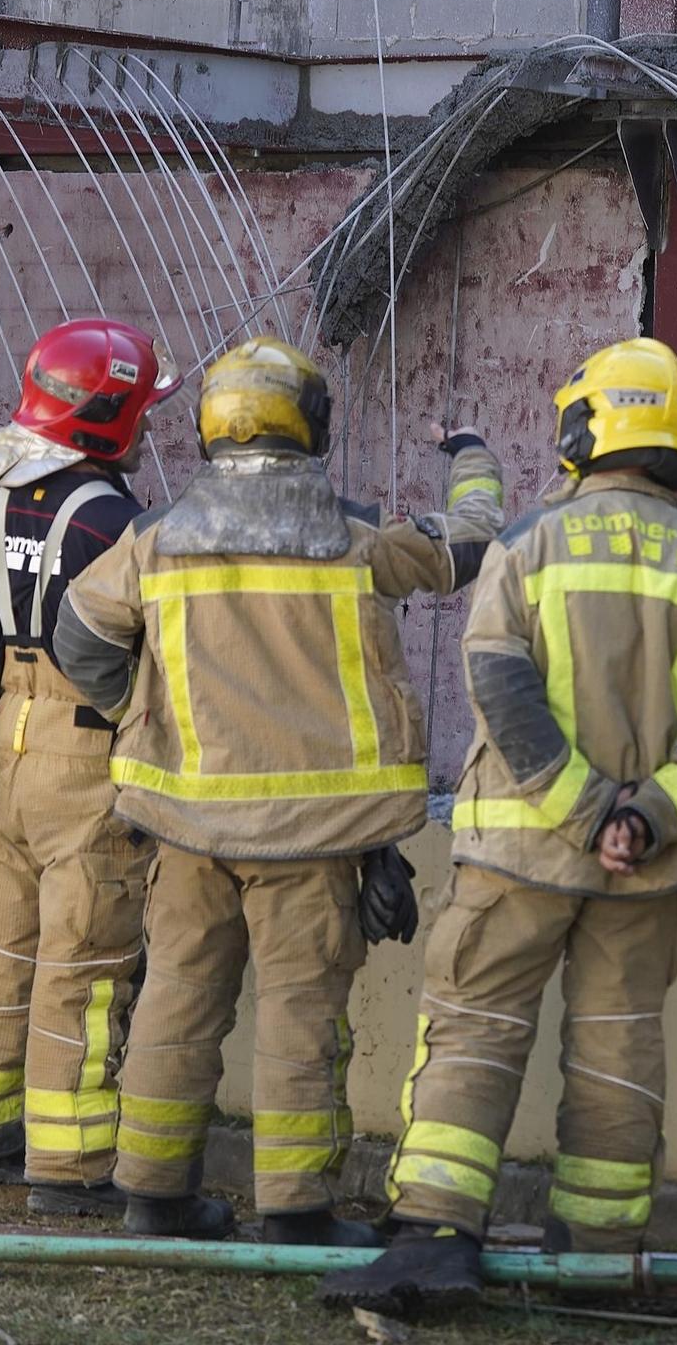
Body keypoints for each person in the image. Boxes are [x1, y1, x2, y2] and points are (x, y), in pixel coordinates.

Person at [325, 338, 677, 1317]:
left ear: (583, 429)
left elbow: (500, 680)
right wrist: (644, 817)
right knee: (619, 1048)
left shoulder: (532, 542)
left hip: (519, 849)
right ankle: (603, 1257)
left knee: (475, 1032)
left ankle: (435, 1240)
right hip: (647, 866)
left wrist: (582, 809)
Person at [53, 335, 504, 1244]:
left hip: (185, 828)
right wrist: (468, 455)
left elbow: (81, 640)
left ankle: (152, 1198)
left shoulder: (155, 539)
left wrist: (142, 715)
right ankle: (297, 1213)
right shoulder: (356, 538)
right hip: (312, 839)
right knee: (301, 1019)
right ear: (314, 426)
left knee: (177, 1002)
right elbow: (470, 543)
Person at [0, 317, 180, 1217]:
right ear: (107, 418)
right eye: (141, 410)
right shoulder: (119, 523)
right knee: (87, 960)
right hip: (87, 757)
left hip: (6, 757)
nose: (149, 427)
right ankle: (67, 1173)